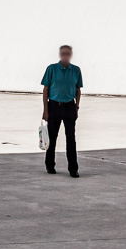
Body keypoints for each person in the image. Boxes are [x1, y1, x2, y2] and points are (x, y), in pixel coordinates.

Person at [41, 45, 82, 176]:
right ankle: (50, 165)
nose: (65, 55)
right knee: (52, 138)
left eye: (68, 53)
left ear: (71, 55)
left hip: (69, 106)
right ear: (60, 54)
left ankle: (73, 168)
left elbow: (78, 90)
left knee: (71, 138)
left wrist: (76, 107)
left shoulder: (76, 70)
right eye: (63, 53)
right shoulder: (52, 69)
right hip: (54, 106)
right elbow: (46, 89)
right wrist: (45, 110)